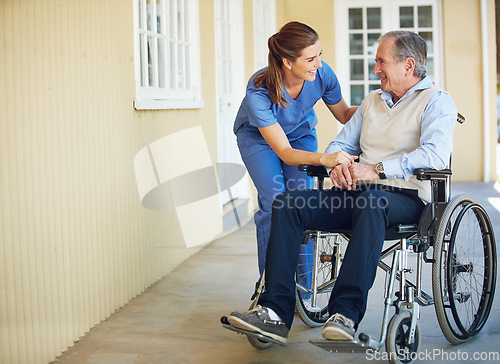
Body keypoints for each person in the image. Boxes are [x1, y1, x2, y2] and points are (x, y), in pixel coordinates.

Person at [227, 30, 457, 344]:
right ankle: (275, 312)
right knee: (287, 203)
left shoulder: (437, 102)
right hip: (357, 194)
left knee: (371, 202)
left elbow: (434, 154)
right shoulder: (373, 101)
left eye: (381, 62)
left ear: (408, 66)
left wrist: (374, 169)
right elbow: (342, 141)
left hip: (405, 198)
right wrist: (340, 164)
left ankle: (344, 313)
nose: (375, 70)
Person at [233, 21, 357, 277]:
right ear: (288, 62)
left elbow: (345, 115)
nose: (319, 64)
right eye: (311, 59)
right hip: (258, 139)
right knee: (277, 203)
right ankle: (272, 287)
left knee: (301, 204)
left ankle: (302, 285)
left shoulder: (322, 75)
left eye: (319, 55)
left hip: (301, 135)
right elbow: (284, 152)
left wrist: (379, 105)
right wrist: (325, 159)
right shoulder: (259, 90)